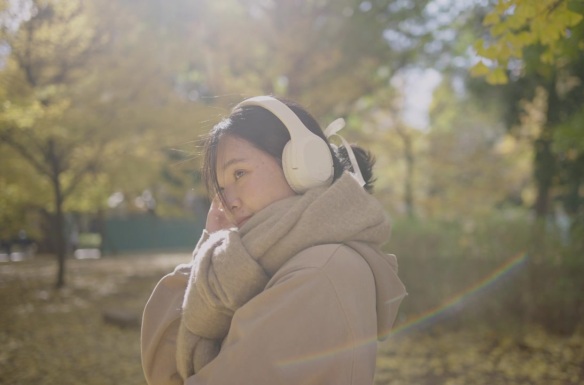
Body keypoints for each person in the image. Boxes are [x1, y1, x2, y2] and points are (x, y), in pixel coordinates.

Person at [141, 95, 407, 385]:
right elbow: (164, 372)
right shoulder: (265, 266)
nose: (226, 201)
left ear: (303, 166)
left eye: (239, 173)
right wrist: (208, 249)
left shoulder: (316, 273)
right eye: (221, 187)